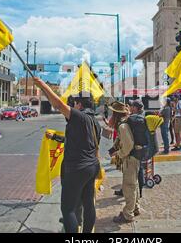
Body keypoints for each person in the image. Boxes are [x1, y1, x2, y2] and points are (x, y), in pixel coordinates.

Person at [34, 77, 101, 234]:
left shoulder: (79, 117)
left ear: (79, 104)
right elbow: (79, 141)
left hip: (77, 168)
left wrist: (43, 85)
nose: (73, 106)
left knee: (68, 209)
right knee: (88, 204)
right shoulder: (94, 121)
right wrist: (56, 138)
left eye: (75, 103)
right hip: (91, 167)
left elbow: (57, 104)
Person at [109, 101, 141, 224]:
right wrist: (114, 147)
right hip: (134, 158)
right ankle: (135, 208)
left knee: (128, 186)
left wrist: (119, 154)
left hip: (129, 159)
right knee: (134, 184)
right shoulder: (125, 122)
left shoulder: (123, 126)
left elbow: (128, 145)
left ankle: (128, 214)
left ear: (116, 114)